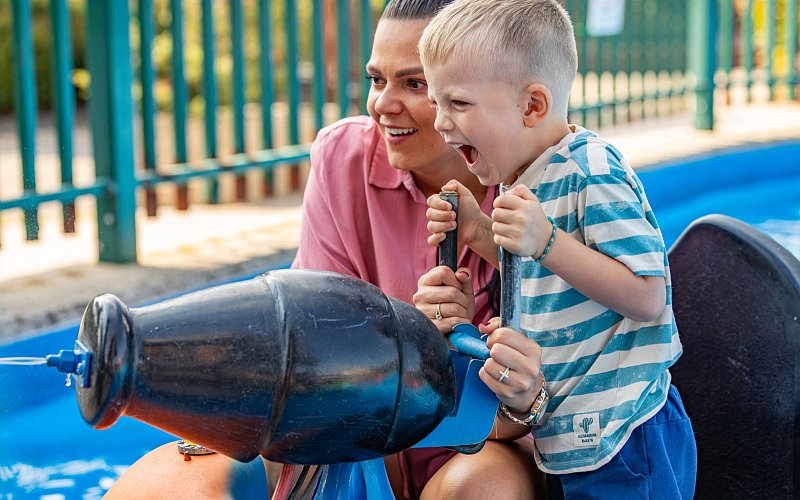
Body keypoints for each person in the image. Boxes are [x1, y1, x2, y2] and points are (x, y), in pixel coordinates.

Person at [104, 1, 544, 498]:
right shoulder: (343, 157)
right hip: (356, 425)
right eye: (377, 80)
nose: (383, 104)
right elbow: (316, 353)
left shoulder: (549, 187)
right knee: (163, 487)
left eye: (415, 84)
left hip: (487, 440)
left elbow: (560, 387)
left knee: (482, 492)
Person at [415, 0, 697, 497]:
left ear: (533, 106)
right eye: (437, 102)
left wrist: (546, 241)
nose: (440, 122)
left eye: (457, 104)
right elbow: (548, 278)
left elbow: (649, 295)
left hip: (627, 432)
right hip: (573, 434)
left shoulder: (592, 171)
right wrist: (478, 230)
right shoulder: (520, 176)